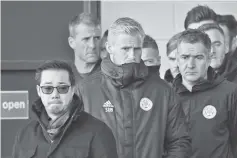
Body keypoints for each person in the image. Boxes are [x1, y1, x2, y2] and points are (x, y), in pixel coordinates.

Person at [78, 17, 191, 158]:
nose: (132, 55)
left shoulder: (162, 91)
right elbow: (74, 145)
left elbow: (179, 142)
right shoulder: (85, 90)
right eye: (125, 49)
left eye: (137, 49)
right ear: (109, 48)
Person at [12, 60, 118, 158]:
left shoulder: (98, 132)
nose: (55, 95)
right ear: (39, 91)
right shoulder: (25, 134)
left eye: (62, 88)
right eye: (48, 88)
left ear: (72, 90)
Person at [174, 29, 237, 158]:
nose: (191, 65)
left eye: (198, 57)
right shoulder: (164, 95)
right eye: (185, 57)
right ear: (177, 59)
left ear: (208, 59)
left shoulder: (230, 93)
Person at [68, 12, 102, 81]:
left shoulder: (113, 77)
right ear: (72, 43)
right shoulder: (63, 77)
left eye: (97, 38)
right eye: (86, 39)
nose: (92, 45)